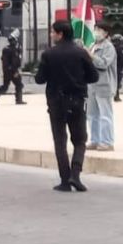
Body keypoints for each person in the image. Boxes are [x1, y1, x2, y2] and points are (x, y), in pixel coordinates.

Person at [35, 21, 98, 192]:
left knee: (60, 141)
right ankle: (75, 174)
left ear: (60, 34)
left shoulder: (49, 54)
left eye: (52, 32)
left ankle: (65, 179)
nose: (51, 35)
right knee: (79, 140)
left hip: (56, 102)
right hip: (77, 101)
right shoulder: (81, 53)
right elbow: (94, 77)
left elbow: (39, 79)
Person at [86, 23, 117, 152]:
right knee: (92, 115)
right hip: (91, 85)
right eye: (95, 29)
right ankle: (95, 140)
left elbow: (104, 63)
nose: (96, 32)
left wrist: (91, 56)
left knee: (105, 115)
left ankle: (107, 142)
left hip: (104, 85)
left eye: (99, 30)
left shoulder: (108, 47)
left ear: (105, 33)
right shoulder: (93, 45)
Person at [0, 36, 26, 105]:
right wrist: (15, 71)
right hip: (11, 71)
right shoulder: (11, 50)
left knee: (6, 86)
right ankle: (18, 100)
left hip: (8, 71)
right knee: (18, 85)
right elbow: (14, 61)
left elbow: (5, 60)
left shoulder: (7, 49)